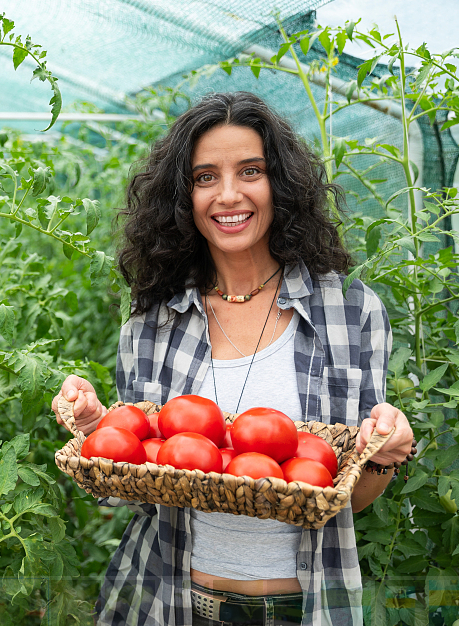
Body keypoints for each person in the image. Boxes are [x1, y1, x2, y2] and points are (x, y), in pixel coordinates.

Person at [51, 91, 415, 626]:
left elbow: (351, 499)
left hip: (305, 608)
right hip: (167, 603)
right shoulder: (154, 321)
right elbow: (146, 489)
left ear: (281, 185)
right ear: (183, 197)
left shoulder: (351, 311)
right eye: (204, 178)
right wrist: (98, 427)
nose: (228, 195)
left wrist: (385, 451)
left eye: (250, 171)